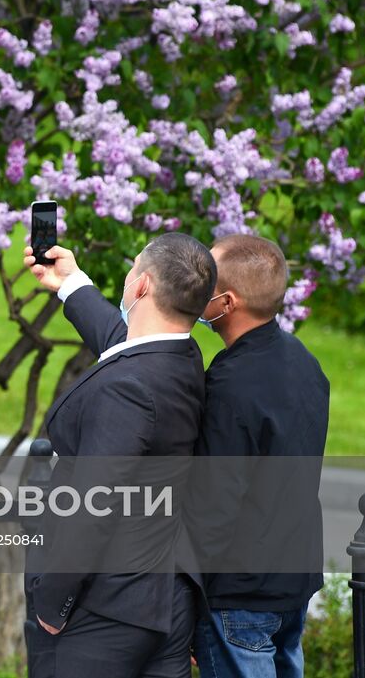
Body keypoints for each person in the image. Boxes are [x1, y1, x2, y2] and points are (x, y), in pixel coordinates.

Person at [28, 234, 330, 678]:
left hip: (223, 600)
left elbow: (206, 507)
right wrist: (72, 283)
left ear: (225, 302)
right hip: (288, 581)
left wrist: (55, 600)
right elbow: (136, 348)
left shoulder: (224, 385)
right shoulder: (282, 361)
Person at [22, 232, 214, 678]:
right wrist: (69, 282)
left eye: (131, 270)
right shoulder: (182, 356)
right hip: (163, 602)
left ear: (142, 285)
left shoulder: (127, 390)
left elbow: (93, 506)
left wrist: (53, 602)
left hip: (105, 612)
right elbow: (126, 342)